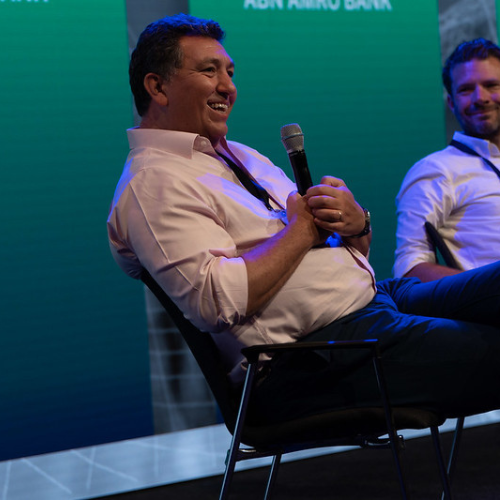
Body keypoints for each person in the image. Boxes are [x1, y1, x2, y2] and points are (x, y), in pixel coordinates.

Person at [108, 14, 500, 426]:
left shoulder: (238, 154)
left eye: (230, 72)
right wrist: (300, 229)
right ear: (158, 87)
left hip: (374, 302)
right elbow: (214, 302)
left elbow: (325, 249)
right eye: (209, 71)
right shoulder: (153, 182)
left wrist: (355, 226)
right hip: (315, 357)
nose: (228, 87)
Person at [394, 38, 500, 282]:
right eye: (466, 90)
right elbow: (409, 269)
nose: (480, 97)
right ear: (451, 103)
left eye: (491, 85)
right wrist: (487, 288)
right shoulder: (436, 170)